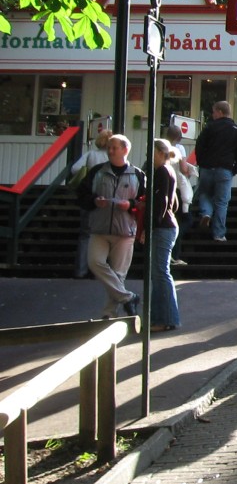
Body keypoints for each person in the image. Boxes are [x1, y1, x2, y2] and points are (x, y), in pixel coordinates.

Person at [77, 133, 145, 320]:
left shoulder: (138, 174)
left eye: (114, 148)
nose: (110, 151)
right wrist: (94, 201)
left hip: (125, 231)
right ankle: (129, 297)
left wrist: (130, 205)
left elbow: (144, 202)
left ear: (125, 150)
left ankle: (109, 314)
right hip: (99, 228)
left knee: (118, 274)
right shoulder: (97, 171)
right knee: (94, 262)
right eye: (109, 148)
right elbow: (81, 195)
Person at [193, 101, 237, 242]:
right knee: (222, 202)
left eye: (213, 112)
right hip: (225, 169)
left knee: (204, 193)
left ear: (219, 112)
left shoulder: (210, 127)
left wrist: (201, 162)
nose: (213, 115)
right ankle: (219, 234)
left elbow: (199, 145)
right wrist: (236, 169)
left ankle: (206, 213)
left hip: (207, 168)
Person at [69, 127, 112, 278]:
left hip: (89, 197)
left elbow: (75, 169)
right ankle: (101, 271)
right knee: (106, 236)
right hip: (107, 198)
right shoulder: (111, 158)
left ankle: (81, 270)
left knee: (85, 235)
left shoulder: (90, 154)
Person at [148, 138, 181, 332]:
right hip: (169, 224)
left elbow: (162, 201)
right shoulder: (170, 171)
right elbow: (173, 204)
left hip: (163, 227)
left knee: (160, 273)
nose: (148, 156)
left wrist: (151, 226)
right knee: (161, 272)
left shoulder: (161, 171)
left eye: (151, 152)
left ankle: (164, 318)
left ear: (160, 153)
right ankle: (162, 317)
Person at [165, 123, 196, 267]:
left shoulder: (161, 147)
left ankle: (170, 254)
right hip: (177, 188)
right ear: (179, 137)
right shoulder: (179, 148)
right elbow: (183, 168)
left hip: (165, 186)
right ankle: (174, 253)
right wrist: (189, 171)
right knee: (184, 220)